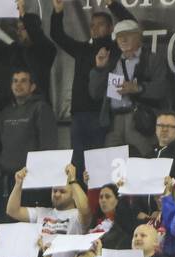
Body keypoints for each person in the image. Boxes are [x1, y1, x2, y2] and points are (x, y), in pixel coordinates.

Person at [48, 0, 121, 172]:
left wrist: (113, 5)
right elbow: (57, 35)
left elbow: (131, 23)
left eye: (100, 24)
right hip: (78, 116)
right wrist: (57, 11)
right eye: (92, 25)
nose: (95, 28)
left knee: (98, 166)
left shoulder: (116, 50)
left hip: (101, 116)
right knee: (78, 165)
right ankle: (78, 190)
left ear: (111, 28)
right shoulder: (82, 49)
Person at [90, 20, 170, 156]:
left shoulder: (152, 59)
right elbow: (94, 93)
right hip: (114, 122)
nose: (123, 39)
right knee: (112, 162)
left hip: (140, 121)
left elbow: (162, 89)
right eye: (119, 36)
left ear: (139, 37)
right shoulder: (112, 62)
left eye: (128, 35)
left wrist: (138, 88)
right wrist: (99, 68)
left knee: (145, 159)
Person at [0, 69, 58, 202]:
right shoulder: (5, 112)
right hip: (8, 179)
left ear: (32, 86)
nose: (18, 85)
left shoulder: (41, 108)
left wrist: (39, 173)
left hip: (31, 180)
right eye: (15, 81)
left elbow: (48, 145)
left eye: (23, 81)